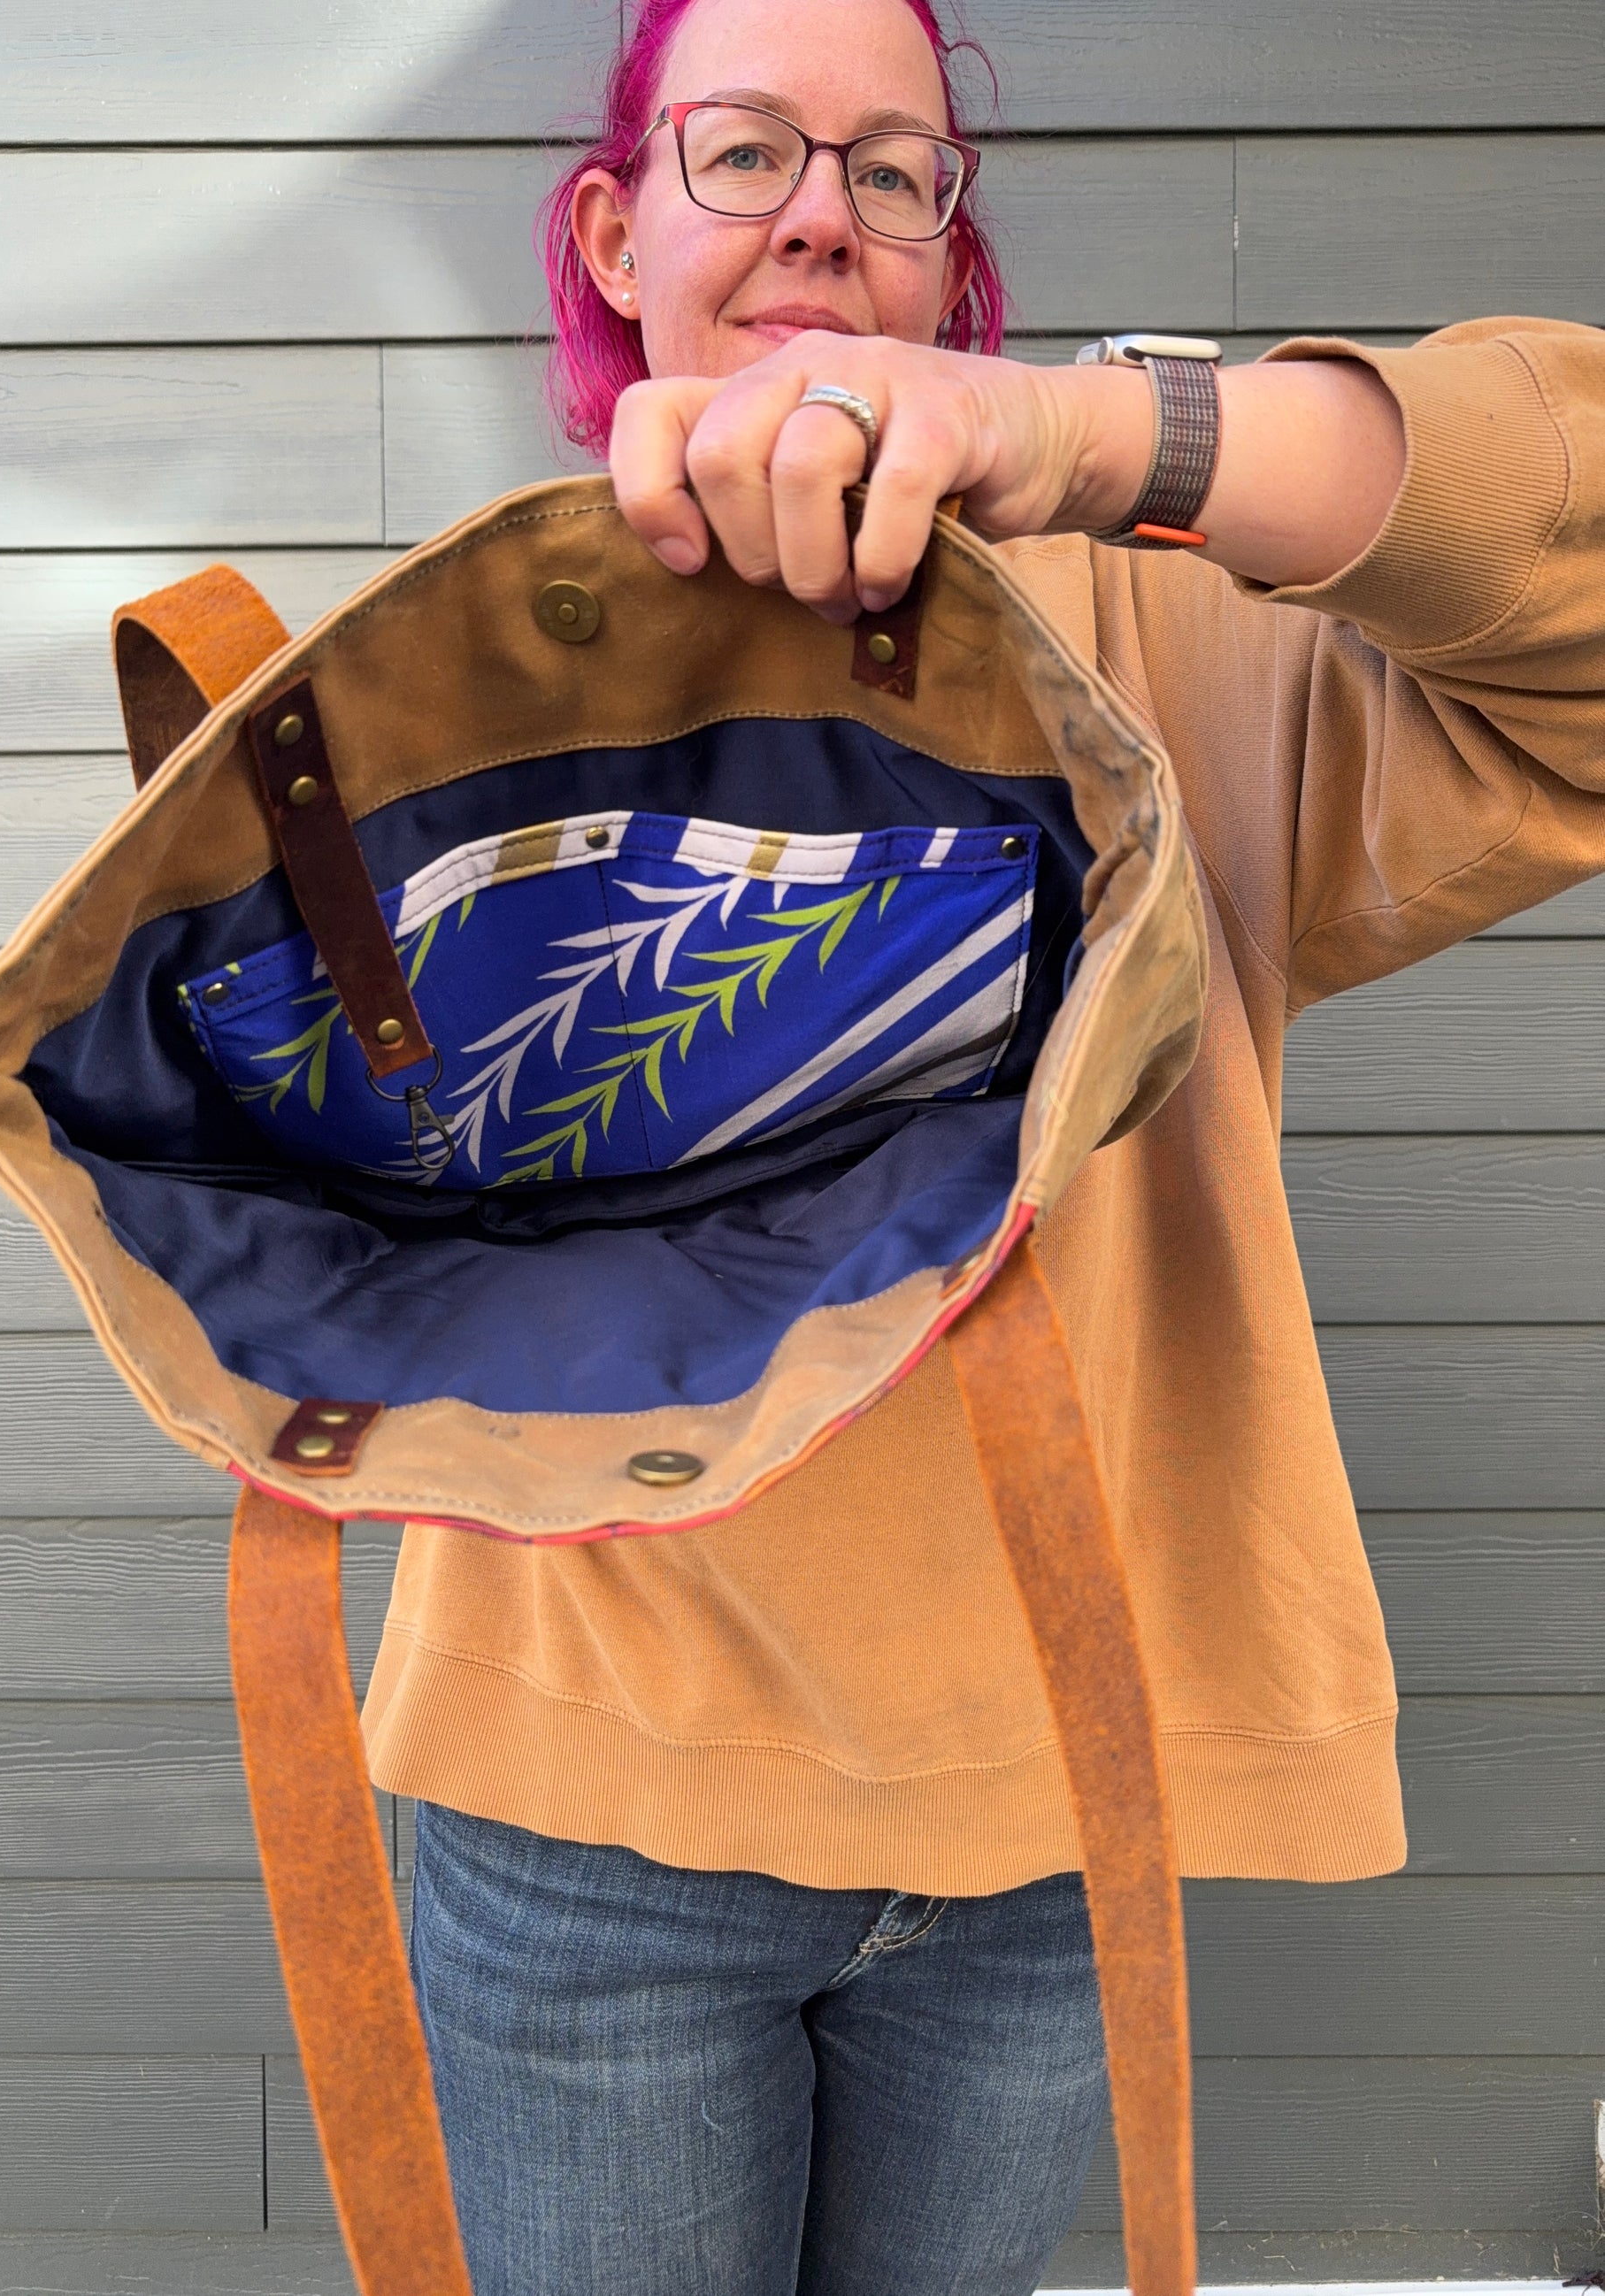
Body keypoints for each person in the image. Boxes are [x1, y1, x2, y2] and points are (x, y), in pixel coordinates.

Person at [359, 0, 1605, 2285]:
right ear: (615, 230)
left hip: (1045, 1816)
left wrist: (1083, 435)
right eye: (743, 154)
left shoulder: (1162, 635)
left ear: (954, 266)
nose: (822, 212)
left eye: (894, 169)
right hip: (580, 1810)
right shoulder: (461, 664)